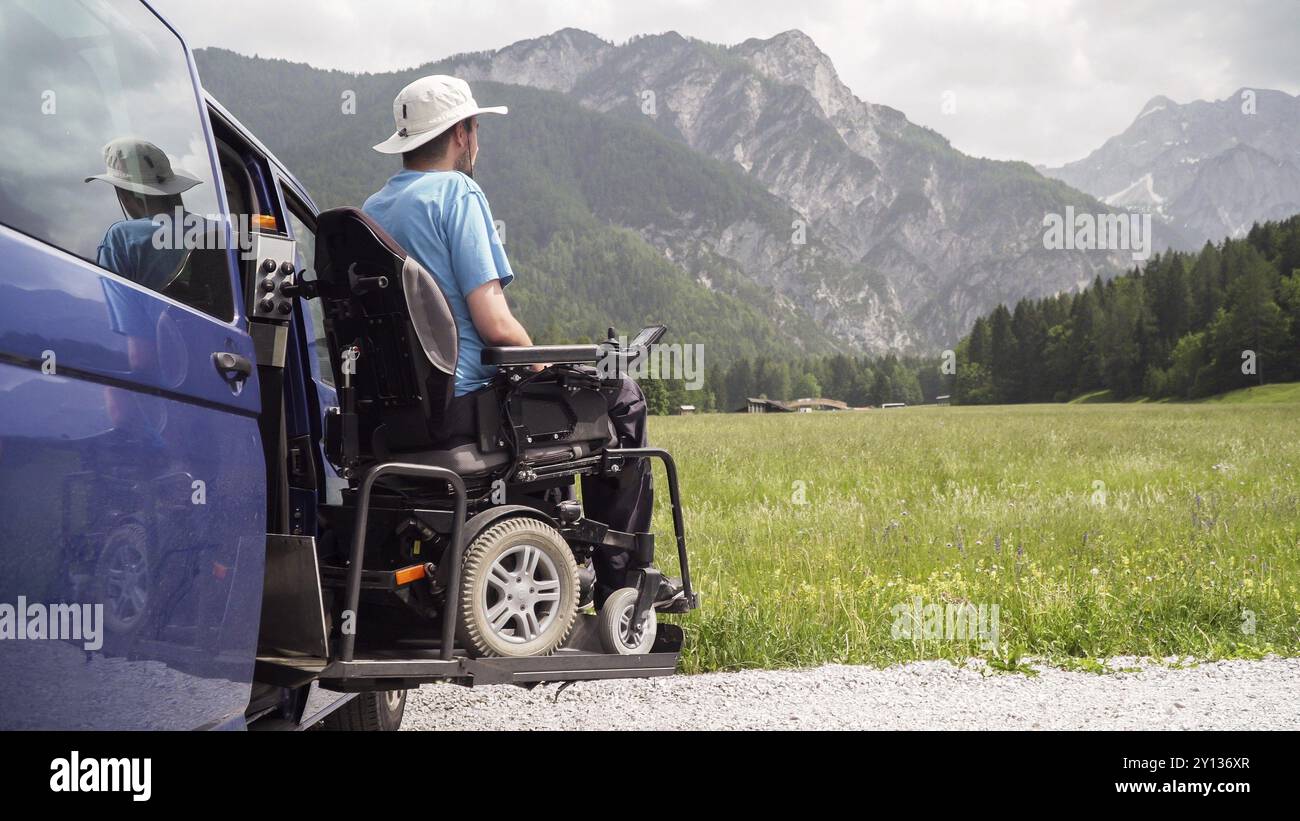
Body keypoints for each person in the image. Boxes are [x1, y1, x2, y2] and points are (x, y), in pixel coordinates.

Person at [364, 75, 679, 607]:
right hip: (462, 408)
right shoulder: (457, 192)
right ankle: (622, 583)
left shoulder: (371, 211)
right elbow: (495, 324)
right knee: (618, 391)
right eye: (476, 128)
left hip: (393, 420)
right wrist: (545, 369)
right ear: (463, 133)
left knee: (572, 397)